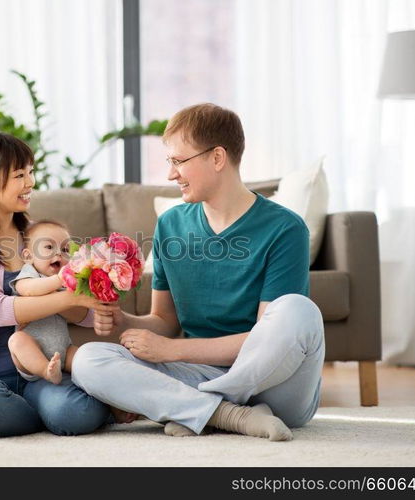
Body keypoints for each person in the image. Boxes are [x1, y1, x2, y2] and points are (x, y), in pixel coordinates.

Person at [72, 103, 326, 441]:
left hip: (277, 389)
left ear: (217, 158)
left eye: (178, 161)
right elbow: (165, 321)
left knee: (299, 311)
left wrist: (171, 350)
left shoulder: (285, 229)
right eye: (170, 163)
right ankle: (225, 414)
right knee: (89, 360)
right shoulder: (171, 225)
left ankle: (198, 407)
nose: (170, 174)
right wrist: (121, 319)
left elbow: (265, 340)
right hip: (199, 375)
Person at [0, 130, 127, 438]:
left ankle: (47, 411)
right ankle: (48, 415)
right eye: (19, 175)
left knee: (78, 412)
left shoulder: (40, 235)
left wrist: (89, 296)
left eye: (30, 172)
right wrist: (70, 299)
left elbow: (83, 309)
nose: (30, 183)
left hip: (45, 375)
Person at [7, 220, 79, 385]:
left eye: (65, 249)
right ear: (28, 256)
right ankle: (46, 371)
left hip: (64, 350)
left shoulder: (65, 282)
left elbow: (79, 308)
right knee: (16, 340)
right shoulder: (29, 275)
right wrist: (58, 280)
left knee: (87, 360)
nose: (59, 253)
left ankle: (114, 403)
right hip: (32, 350)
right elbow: (29, 290)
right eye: (49, 247)